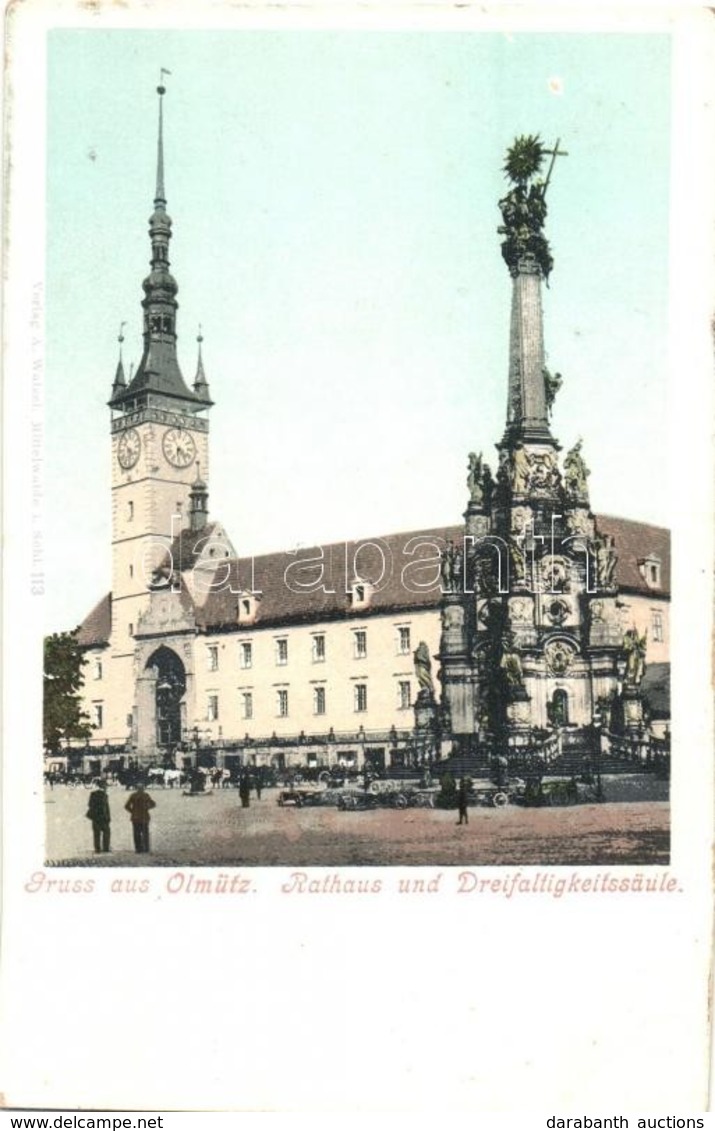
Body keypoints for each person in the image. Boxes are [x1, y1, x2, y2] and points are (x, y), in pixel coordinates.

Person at [124, 783, 156, 854]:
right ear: (143, 788)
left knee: (136, 834)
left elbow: (126, 806)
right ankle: (146, 848)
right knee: (145, 833)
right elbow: (153, 804)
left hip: (135, 817)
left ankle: (138, 849)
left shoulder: (133, 796)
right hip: (144, 817)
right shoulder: (146, 795)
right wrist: (147, 808)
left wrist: (132, 811)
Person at [86, 779, 111, 853]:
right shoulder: (105, 795)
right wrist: (108, 817)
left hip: (95, 817)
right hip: (103, 817)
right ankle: (106, 848)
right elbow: (106, 807)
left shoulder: (93, 794)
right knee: (106, 832)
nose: (107, 787)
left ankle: (97, 849)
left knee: (96, 833)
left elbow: (89, 804)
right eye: (106, 786)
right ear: (103, 786)